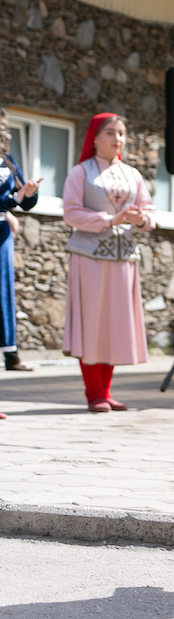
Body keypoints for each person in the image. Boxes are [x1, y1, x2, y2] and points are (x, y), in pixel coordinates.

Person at [62, 114, 156, 413]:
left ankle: (105, 391)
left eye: (122, 133)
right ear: (94, 138)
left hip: (123, 256)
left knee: (114, 324)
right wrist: (110, 220)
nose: (118, 139)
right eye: (110, 132)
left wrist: (140, 219)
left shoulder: (132, 174)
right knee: (93, 322)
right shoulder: (80, 172)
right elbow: (70, 213)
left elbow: (150, 212)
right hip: (89, 256)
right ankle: (94, 393)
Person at [0, 134, 42, 419]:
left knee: (2, 300)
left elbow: (23, 202)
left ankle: (10, 355)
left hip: (1, 235)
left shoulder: (6, 160)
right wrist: (12, 200)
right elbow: (8, 200)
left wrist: (28, 192)